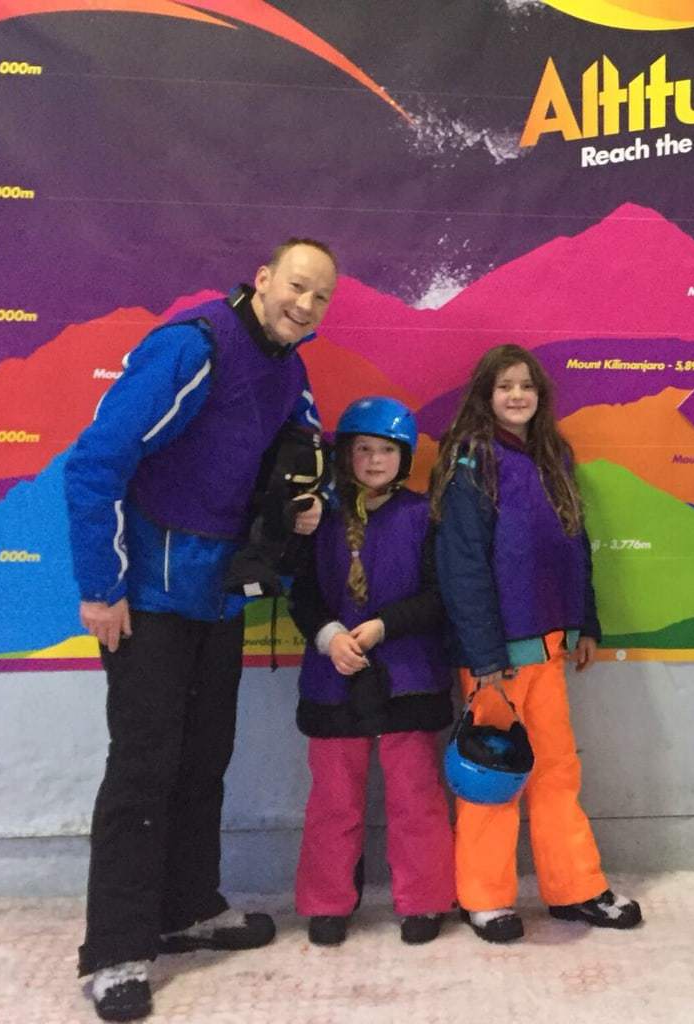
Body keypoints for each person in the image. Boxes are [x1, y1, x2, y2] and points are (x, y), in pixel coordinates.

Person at [65, 238, 336, 1022]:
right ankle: (114, 951)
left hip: (219, 595)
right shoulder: (195, 346)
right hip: (146, 596)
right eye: (296, 286)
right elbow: (95, 463)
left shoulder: (288, 369)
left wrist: (300, 508)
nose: (305, 305)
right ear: (263, 280)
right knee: (143, 768)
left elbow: (299, 453)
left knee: (204, 757)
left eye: (320, 297)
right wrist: (100, 587)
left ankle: (186, 906)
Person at [429, 343, 642, 943]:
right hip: (496, 654)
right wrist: (484, 654)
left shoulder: (553, 457)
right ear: (484, 395)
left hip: (549, 643)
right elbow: (462, 564)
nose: (517, 396)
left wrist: (587, 623)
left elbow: (576, 546)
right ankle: (485, 898)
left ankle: (574, 887)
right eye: (504, 387)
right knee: (493, 772)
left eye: (526, 386)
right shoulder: (470, 460)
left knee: (556, 772)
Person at [287, 396, 455, 947]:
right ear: (346, 455)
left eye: (387, 450)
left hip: (408, 672)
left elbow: (438, 595)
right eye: (364, 449)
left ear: (403, 459)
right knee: (334, 798)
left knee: (416, 796)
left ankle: (426, 898)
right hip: (333, 675)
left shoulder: (424, 515)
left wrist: (385, 625)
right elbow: (304, 594)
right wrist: (330, 635)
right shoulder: (320, 518)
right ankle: (327, 901)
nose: (376, 461)